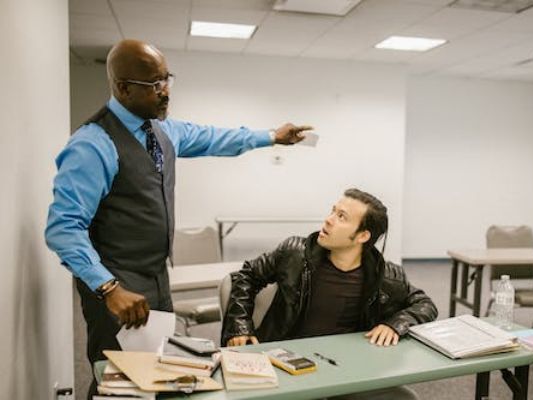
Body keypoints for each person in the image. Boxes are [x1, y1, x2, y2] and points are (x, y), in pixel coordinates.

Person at [44, 39, 311, 397]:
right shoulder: (92, 144)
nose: (166, 91)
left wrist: (271, 137)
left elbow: (213, 138)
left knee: (161, 372)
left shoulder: (163, 131)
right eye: (154, 84)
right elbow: (63, 228)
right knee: (119, 382)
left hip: (157, 278)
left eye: (167, 79)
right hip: (117, 285)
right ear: (123, 87)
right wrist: (108, 288)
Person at [222, 189, 437, 399]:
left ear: (363, 236)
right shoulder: (294, 253)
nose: (328, 220)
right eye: (333, 211)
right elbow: (246, 275)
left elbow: (424, 304)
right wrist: (239, 326)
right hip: (285, 365)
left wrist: (395, 324)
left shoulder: (387, 277)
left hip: (345, 371)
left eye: (341, 217)